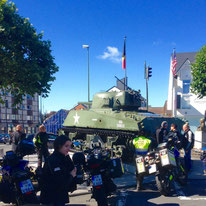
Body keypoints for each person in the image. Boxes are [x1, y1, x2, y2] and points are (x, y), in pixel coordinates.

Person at [40, 135, 77, 206]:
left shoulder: (64, 157)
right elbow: (60, 181)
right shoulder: (54, 160)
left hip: (59, 197)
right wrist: (71, 176)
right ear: (59, 146)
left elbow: (71, 169)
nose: (69, 148)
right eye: (66, 146)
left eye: (70, 146)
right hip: (51, 198)